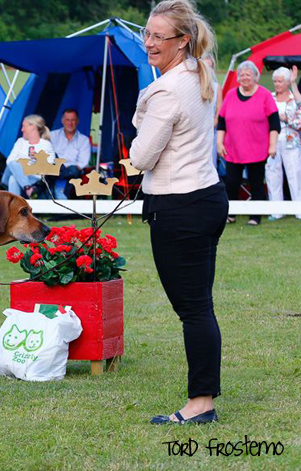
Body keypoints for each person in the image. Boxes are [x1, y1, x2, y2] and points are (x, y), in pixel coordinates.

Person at [130, 0, 228, 425]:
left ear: (182, 40)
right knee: (199, 305)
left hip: (180, 206)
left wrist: (142, 108)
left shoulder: (166, 89)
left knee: (193, 309)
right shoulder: (199, 71)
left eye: (158, 36)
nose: (149, 43)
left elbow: (140, 157)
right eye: (147, 33)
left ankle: (201, 403)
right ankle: (203, 396)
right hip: (206, 197)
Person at [217, 60, 280, 226]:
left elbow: (275, 124)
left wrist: (272, 145)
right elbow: (222, 122)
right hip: (232, 149)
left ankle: (255, 216)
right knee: (231, 183)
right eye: (242, 75)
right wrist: (219, 143)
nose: (245, 78)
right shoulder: (230, 95)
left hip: (257, 149)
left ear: (256, 77)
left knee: (256, 183)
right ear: (238, 78)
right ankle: (231, 214)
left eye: (248, 75)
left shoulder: (265, 95)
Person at [266, 66, 301, 220]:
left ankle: (298, 209)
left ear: (287, 82)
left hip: (291, 143)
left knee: (295, 175)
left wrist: (285, 118)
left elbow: (299, 122)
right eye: (275, 81)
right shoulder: (269, 98)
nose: (277, 84)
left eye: (280, 81)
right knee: (273, 174)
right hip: (272, 142)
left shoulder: (295, 99)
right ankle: (276, 211)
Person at [2, 114, 55, 198]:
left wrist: (38, 159)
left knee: (13, 179)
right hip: (9, 175)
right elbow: (10, 161)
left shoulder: (46, 144)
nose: (22, 129)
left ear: (33, 127)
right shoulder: (20, 142)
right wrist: (23, 166)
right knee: (13, 164)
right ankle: (28, 189)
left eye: (24, 126)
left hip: (33, 178)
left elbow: (49, 167)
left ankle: (15, 209)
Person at [49, 109, 91, 199]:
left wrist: (67, 168)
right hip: (55, 168)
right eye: (67, 120)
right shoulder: (52, 136)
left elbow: (83, 162)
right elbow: (48, 154)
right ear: (62, 121)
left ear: (77, 121)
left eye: (73, 120)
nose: (70, 123)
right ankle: (49, 197)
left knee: (74, 171)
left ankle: (64, 197)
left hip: (73, 170)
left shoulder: (84, 140)